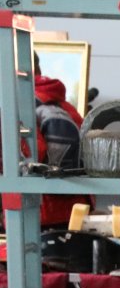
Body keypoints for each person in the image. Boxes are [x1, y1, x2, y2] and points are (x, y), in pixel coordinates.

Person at [32, 55, 91, 227]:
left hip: (40, 211)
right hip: (78, 203)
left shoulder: (20, 104)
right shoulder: (64, 104)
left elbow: (30, 154)